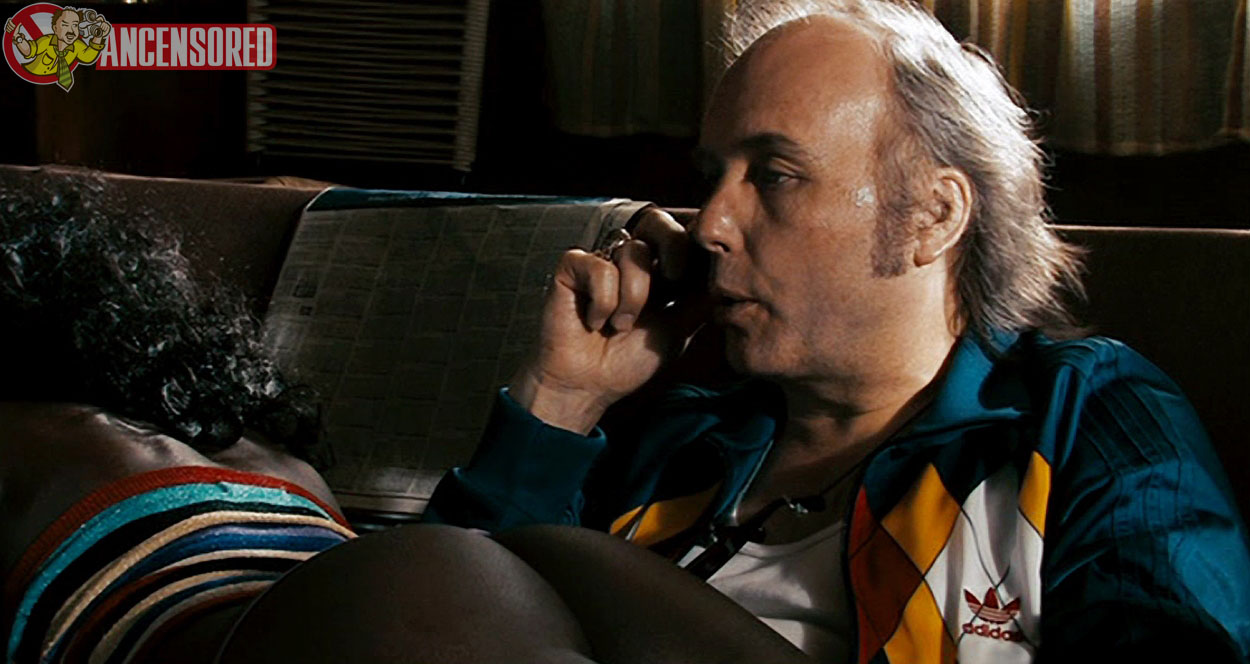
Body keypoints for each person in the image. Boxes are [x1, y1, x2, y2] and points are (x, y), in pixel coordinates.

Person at [425, 0, 1250, 661]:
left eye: (775, 175)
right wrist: (563, 397)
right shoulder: (685, 443)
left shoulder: (1081, 414)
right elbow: (444, 619)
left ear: (933, 215)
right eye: (713, 178)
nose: (709, 224)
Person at [0, 180, 816, 663]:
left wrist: (561, 392)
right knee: (536, 554)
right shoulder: (247, 448)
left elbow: (466, 590)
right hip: (391, 593)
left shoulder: (66, 440)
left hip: (398, 596)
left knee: (546, 552)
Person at [5, 7, 111, 91]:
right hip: (27, 81)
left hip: (56, 90)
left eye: (75, 25)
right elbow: (29, 51)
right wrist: (17, 37)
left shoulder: (77, 45)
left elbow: (88, 56)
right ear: (55, 29)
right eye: (65, 25)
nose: (71, 31)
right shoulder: (47, 41)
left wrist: (99, 35)